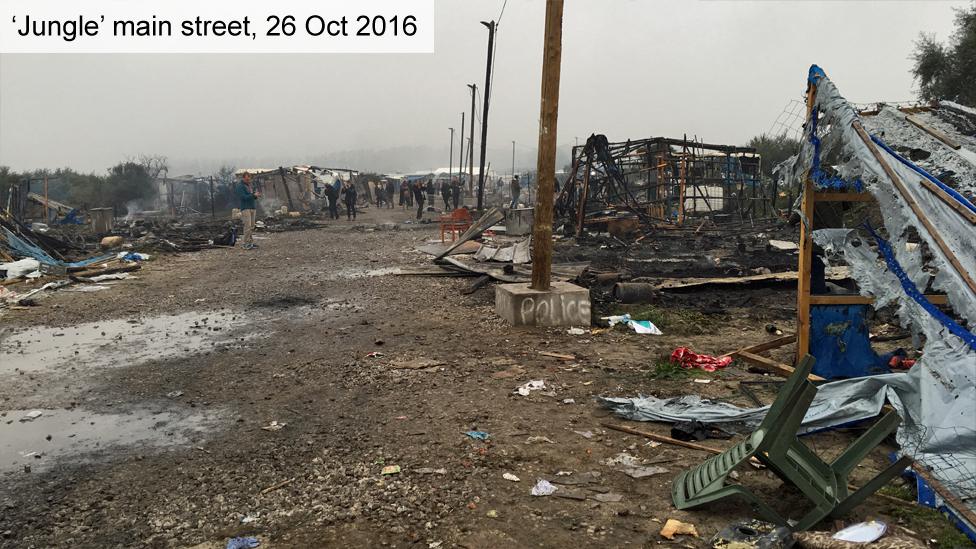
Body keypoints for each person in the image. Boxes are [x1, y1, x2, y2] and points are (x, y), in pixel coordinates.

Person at [236, 173, 260, 250]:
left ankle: (250, 243)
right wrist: (253, 195)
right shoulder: (240, 186)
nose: (248, 180)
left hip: (252, 207)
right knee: (247, 226)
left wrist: (255, 196)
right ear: (243, 178)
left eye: (249, 179)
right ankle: (245, 243)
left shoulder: (249, 186)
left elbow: (250, 196)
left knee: (252, 226)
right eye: (246, 179)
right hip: (245, 208)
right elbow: (243, 197)